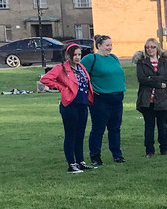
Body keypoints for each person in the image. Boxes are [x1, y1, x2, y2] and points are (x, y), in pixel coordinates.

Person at [40, 42, 95, 173]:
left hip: (82, 104)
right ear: (68, 55)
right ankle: (71, 163)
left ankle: (80, 161)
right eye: (74, 55)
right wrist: (61, 87)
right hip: (70, 105)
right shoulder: (61, 68)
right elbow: (46, 79)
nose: (77, 57)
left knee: (80, 134)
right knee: (71, 134)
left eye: (79, 54)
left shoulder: (81, 67)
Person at [81, 34, 127, 165]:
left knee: (115, 128)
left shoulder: (113, 58)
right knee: (98, 128)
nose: (109, 48)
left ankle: (117, 154)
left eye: (111, 45)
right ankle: (95, 155)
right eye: (107, 45)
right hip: (101, 99)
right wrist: (90, 88)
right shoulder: (91, 58)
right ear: (99, 45)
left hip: (117, 98)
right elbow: (80, 73)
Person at [134, 38, 167, 157]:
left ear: (157, 48)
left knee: (162, 126)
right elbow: (142, 79)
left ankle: (164, 149)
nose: (150, 49)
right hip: (147, 100)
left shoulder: (164, 61)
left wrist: (152, 78)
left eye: (152, 47)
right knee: (149, 126)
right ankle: (149, 151)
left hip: (162, 99)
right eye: (147, 47)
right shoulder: (142, 62)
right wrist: (158, 83)